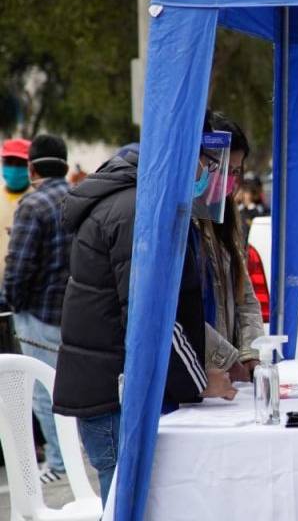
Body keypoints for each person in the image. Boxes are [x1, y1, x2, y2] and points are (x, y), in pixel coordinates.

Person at [53, 140, 237, 504]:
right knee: (127, 503)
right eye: (208, 165)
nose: (208, 177)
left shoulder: (134, 201)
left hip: (108, 388)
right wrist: (200, 382)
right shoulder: (139, 210)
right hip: (113, 396)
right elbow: (151, 317)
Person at [3, 135, 71, 484]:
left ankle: (59, 465)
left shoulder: (32, 205)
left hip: (38, 315)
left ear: (32, 168)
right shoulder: (79, 198)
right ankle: (73, 459)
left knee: (44, 396)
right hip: (73, 314)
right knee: (70, 391)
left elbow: (19, 267)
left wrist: (11, 300)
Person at [199, 112, 265, 379]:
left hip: (227, 375)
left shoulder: (228, 216)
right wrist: (227, 361)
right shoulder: (185, 219)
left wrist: (250, 352)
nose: (230, 180)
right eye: (226, 169)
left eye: (236, 172)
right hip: (201, 374)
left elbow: (245, 297)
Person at [0, 138, 32, 355]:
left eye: (19, 163)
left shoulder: (36, 201)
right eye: (8, 161)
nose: (13, 168)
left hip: (25, 298)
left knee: (22, 357)